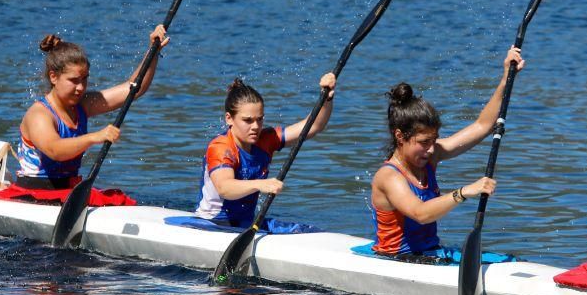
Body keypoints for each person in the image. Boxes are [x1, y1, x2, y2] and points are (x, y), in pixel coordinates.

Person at [369, 47, 524, 263]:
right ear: (400, 136)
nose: (432, 149)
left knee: (512, 261)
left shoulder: (430, 156)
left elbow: (483, 125)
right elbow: (421, 214)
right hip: (395, 259)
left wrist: (507, 77)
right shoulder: (388, 177)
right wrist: (463, 192)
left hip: (430, 254)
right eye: (423, 143)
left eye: (434, 140)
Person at [0, 25, 168, 205]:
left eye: (84, 79)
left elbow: (133, 89)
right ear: (53, 77)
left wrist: (153, 51)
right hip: (34, 194)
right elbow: (55, 150)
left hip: (69, 191)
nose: (81, 88)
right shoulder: (39, 114)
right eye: (74, 81)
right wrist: (95, 137)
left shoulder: (81, 105)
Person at [193, 73, 336, 232]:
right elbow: (225, 188)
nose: (255, 126)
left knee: (309, 231)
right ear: (229, 119)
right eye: (248, 120)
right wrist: (261, 184)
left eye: (259, 119)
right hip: (212, 224)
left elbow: (313, 126)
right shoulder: (221, 147)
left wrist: (326, 100)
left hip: (246, 223)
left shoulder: (265, 140)